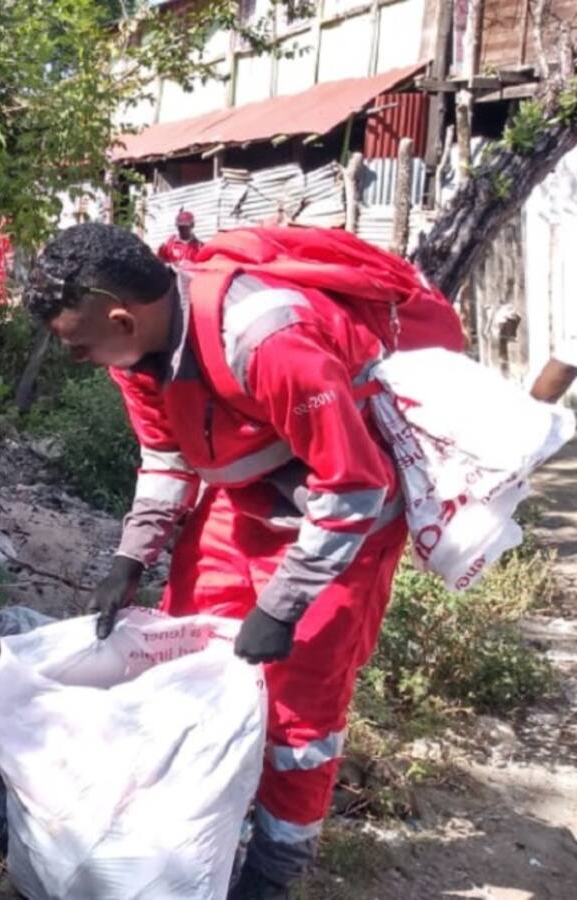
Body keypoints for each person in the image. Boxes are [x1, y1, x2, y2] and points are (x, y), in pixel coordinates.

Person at [24, 222, 461, 899]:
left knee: (297, 719)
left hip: (344, 522)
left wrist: (284, 605)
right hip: (244, 498)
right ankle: (197, 831)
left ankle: (270, 874)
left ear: (120, 316)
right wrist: (131, 557)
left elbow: (354, 484)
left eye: (80, 346)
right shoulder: (137, 352)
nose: (79, 359)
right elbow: (168, 459)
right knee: (185, 659)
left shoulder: (270, 341)